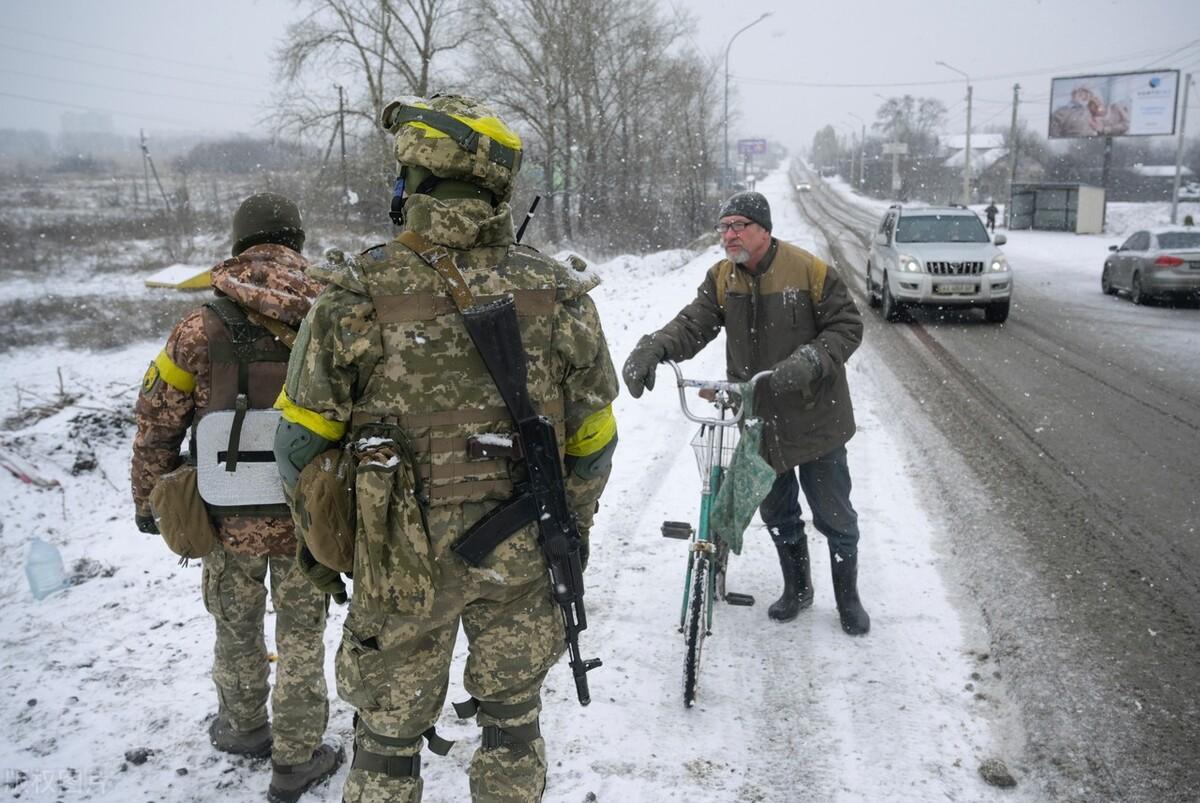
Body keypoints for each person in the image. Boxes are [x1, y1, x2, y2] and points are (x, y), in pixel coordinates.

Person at [273, 94, 619, 802]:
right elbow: (594, 442)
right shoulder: (558, 291)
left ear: (411, 186)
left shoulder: (354, 295)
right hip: (523, 561)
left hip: (398, 567)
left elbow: (298, 447)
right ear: (498, 189)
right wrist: (568, 527)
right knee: (514, 729)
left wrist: (334, 546)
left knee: (386, 747)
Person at [131, 193, 343, 802]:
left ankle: (245, 727)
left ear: (239, 242)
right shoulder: (330, 312)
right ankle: (298, 756)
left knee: (235, 622)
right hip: (310, 510)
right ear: (297, 241)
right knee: (303, 633)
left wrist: (149, 498)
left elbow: (157, 422)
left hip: (227, 511)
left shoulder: (200, 326)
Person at [622, 191, 870, 636]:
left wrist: (812, 360)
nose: (729, 235)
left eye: (739, 225)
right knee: (778, 513)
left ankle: (848, 597)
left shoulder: (808, 271)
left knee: (834, 515)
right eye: (723, 227)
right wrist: (655, 345)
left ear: (763, 229)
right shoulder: (722, 278)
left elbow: (847, 326)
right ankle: (797, 588)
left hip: (817, 418)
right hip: (759, 421)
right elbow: (694, 323)